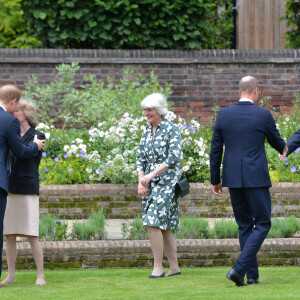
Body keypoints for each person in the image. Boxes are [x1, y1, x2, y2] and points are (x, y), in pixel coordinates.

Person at [210, 76, 287, 286]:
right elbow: (277, 142)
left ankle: (251, 276)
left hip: (233, 178)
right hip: (256, 178)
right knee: (263, 223)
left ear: (240, 90)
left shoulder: (224, 115)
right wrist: (285, 148)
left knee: (244, 225)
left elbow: (215, 149)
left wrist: (215, 180)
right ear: (256, 91)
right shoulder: (263, 115)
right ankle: (239, 269)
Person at [0, 85, 45, 288]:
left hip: (27, 188)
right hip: (9, 186)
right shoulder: (10, 131)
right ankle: (10, 275)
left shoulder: (38, 135)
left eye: (17, 111)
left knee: (31, 233)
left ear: (25, 114)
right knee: (9, 234)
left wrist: (33, 145)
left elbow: (27, 155)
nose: (13, 113)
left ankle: (40, 275)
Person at [136, 93, 182, 278]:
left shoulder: (172, 129)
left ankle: (157, 267)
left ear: (159, 110)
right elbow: (140, 157)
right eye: (145, 110)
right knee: (165, 226)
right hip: (150, 183)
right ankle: (174, 267)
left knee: (151, 222)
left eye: (150, 109)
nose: (146, 113)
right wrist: (141, 180)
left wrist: (152, 174)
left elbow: (174, 157)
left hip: (167, 182)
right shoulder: (147, 131)